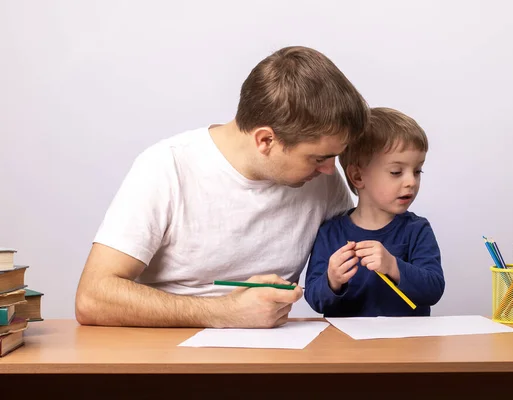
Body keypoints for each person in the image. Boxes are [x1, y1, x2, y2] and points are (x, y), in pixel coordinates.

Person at [75, 46, 369, 328]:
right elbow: (93, 296)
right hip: (167, 360)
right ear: (265, 140)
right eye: (318, 158)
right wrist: (223, 312)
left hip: (272, 358)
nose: (330, 169)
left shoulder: (322, 179)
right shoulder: (167, 166)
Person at [304, 107, 445, 317]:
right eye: (396, 172)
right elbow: (315, 300)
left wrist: (393, 265)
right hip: (345, 347)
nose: (411, 182)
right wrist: (332, 280)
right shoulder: (330, 232)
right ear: (358, 177)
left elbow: (434, 289)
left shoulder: (417, 229)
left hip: (406, 345)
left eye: (417, 171)